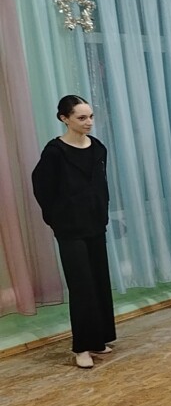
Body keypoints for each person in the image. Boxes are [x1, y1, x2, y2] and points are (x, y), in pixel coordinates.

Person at [31, 95, 116, 369]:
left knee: (99, 281)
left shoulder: (98, 148)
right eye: (81, 117)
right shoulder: (55, 152)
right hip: (70, 229)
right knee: (81, 286)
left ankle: (99, 339)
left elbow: (100, 185)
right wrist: (57, 219)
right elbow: (42, 187)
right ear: (64, 119)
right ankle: (81, 347)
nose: (88, 122)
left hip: (95, 224)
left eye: (90, 116)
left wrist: (102, 210)